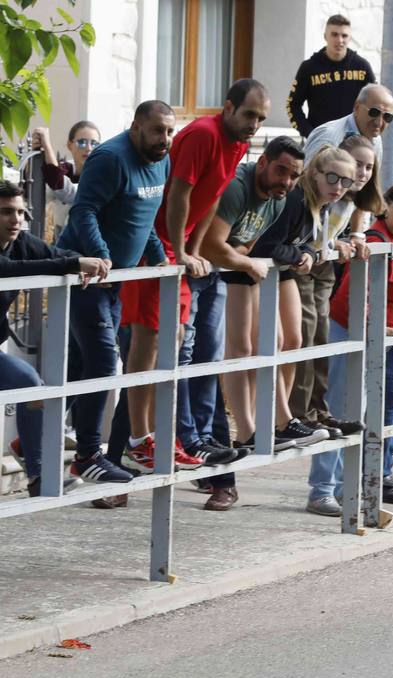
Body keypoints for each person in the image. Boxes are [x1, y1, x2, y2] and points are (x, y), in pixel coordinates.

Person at [113, 79, 268, 479]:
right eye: (250, 114)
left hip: (177, 248)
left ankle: (157, 441)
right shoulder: (203, 134)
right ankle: (138, 442)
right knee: (146, 342)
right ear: (229, 107)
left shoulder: (237, 143)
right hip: (156, 247)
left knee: (174, 346)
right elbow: (179, 193)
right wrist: (181, 251)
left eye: (261, 118)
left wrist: (194, 246)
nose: (254, 124)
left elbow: (212, 195)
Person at [55, 99, 175, 487]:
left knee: (76, 367)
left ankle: (31, 439)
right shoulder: (110, 158)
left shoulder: (162, 161)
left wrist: (158, 259)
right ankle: (89, 455)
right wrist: (102, 258)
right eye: (158, 130)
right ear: (136, 126)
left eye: (170, 131)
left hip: (117, 280)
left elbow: (146, 217)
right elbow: (83, 211)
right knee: (105, 363)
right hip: (85, 275)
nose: (165, 139)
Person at [196, 136, 306, 512]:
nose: (287, 181)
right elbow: (214, 246)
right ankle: (225, 447)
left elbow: (241, 245)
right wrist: (243, 262)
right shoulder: (238, 188)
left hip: (215, 274)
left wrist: (238, 259)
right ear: (263, 162)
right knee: (211, 361)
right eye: (281, 171)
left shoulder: (277, 199)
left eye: (294, 176)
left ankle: (222, 456)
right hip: (190, 269)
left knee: (240, 354)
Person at [309, 183, 393, 511]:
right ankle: (321, 490)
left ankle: (338, 488)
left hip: (372, 336)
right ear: (385, 207)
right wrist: (383, 325)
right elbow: (352, 298)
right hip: (351, 333)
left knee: (356, 412)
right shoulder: (376, 242)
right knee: (340, 411)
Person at [236, 145, 361, 451]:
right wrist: (300, 252)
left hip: (282, 270)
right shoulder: (295, 200)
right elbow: (266, 244)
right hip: (255, 271)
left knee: (294, 340)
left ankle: (282, 421)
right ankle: (271, 422)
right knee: (264, 346)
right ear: (314, 174)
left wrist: (305, 251)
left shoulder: (324, 205)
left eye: (346, 182)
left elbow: (304, 244)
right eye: (333, 178)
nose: (339, 188)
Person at [0, 181, 109, 496]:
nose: (16, 219)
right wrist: (74, 263)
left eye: (20, 212)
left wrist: (83, 264)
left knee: (30, 385)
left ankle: (39, 476)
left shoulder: (21, 241)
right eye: (7, 212)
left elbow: (57, 254)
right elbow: (8, 270)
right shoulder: (12, 254)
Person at [287, 133, 382, 431]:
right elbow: (309, 231)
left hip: (321, 266)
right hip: (303, 265)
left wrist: (352, 237)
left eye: (369, 167)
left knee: (321, 336)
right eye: (358, 165)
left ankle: (319, 409)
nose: (362, 173)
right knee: (306, 332)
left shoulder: (353, 196)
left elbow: (350, 221)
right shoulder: (322, 190)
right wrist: (334, 243)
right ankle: (300, 414)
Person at [286, 14, 377, 138]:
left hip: (355, 141)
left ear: (350, 38)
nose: (339, 40)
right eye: (334, 34)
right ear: (325, 36)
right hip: (321, 141)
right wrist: (310, 133)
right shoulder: (309, 68)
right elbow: (293, 105)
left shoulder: (362, 67)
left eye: (344, 35)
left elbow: (375, 104)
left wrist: (365, 133)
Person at [29, 121, 101, 235]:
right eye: (82, 142)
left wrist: (47, 145)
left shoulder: (101, 175)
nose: (88, 148)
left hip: (90, 236)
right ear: (70, 145)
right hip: (62, 235)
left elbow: (65, 191)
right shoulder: (65, 168)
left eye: (94, 143)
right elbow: (38, 194)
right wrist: (37, 155)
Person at [304, 83, 393, 165]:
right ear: (357, 108)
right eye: (374, 112)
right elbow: (306, 180)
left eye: (387, 117)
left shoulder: (376, 140)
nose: (378, 122)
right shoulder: (329, 138)